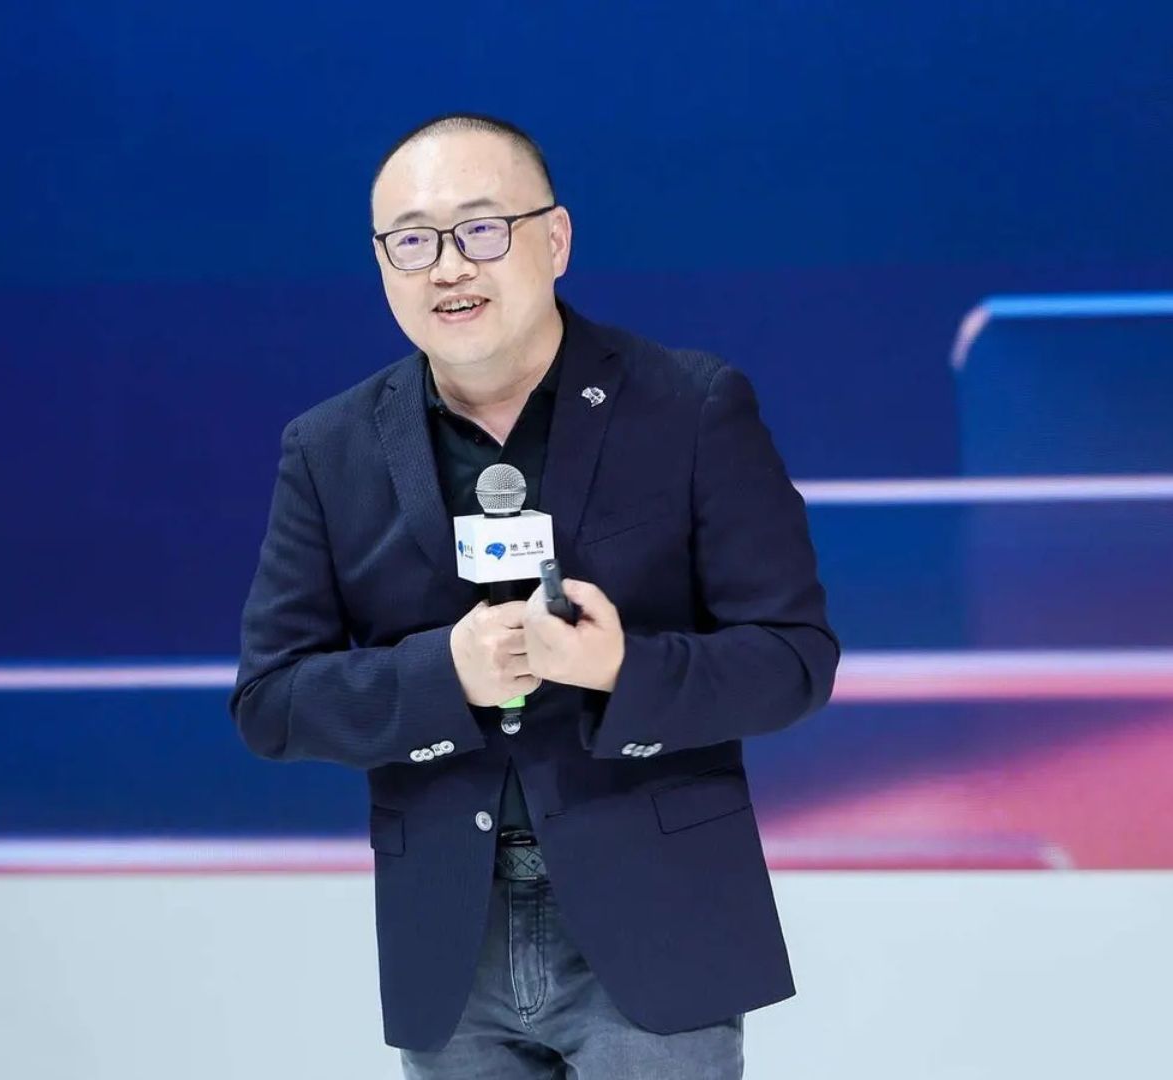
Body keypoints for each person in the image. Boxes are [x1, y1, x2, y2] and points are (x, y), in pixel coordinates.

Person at [231, 112, 838, 1079]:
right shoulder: (329, 447)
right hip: (449, 938)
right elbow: (271, 700)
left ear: (554, 239)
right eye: (412, 242)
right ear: (383, 265)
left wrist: (623, 668)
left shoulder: (689, 406)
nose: (448, 268)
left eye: (480, 230)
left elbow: (793, 659)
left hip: (657, 922)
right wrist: (444, 675)